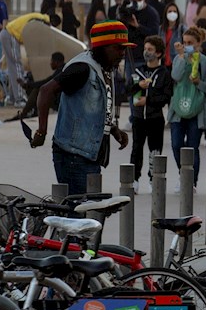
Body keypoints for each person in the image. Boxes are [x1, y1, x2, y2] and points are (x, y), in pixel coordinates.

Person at [31, 21, 131, 195]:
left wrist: (112, 129)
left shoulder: (104, 67)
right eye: (118, 48)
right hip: (73, 156)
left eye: (124, 49)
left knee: (88, 215)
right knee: (81, 217)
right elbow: (45, 91)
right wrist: (41, 131)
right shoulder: (82, 68)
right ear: (102, 47)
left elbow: (93, 107)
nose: (122, 54)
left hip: (88, 155)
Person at [169, 27, 206, 191]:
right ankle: (183, 174)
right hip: (178, 108)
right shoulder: (179, 58)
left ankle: (191, 181)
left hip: (197, 108)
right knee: (176, 143)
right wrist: (181, 57)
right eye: (185, 43)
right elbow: (176, 76)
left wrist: (198, 82)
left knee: (193, 146)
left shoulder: (205, 61)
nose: (187, 46)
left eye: (190, 43)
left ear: (199, 43)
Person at [129, 36, 173, 188]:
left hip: (155, 118)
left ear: (159, 53)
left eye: (150, 50)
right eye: (145, 49)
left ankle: (153, 177)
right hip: (138, 117)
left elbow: (166, 96)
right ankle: (134, 179)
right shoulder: (138, 71)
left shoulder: (164, 73)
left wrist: (149, 100)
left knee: (155, 149)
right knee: (136, 148)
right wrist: (139, 87)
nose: (146, 52)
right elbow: (129, 90)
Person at [160, 2, 185, 67]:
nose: (172, 13)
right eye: (170, 11)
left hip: (176, 62)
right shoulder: (161, 29)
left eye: (174, 11)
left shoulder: (182, 29)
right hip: (163, 62)